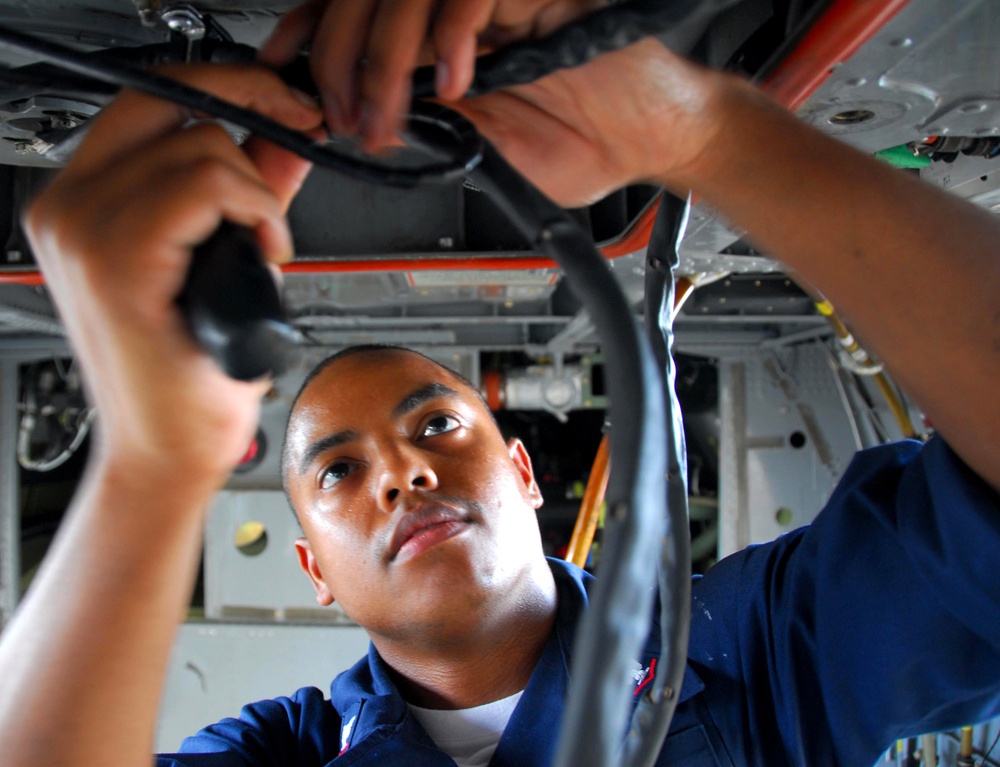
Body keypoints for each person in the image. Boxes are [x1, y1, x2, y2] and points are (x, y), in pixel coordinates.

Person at [0, 1, 997, 766]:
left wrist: (701, 135)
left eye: (434, 422)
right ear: (314, 571)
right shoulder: (288, 750)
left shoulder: (753, 646)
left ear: (522, 471)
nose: (401, 474)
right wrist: (149, 465)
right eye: (341, 470)